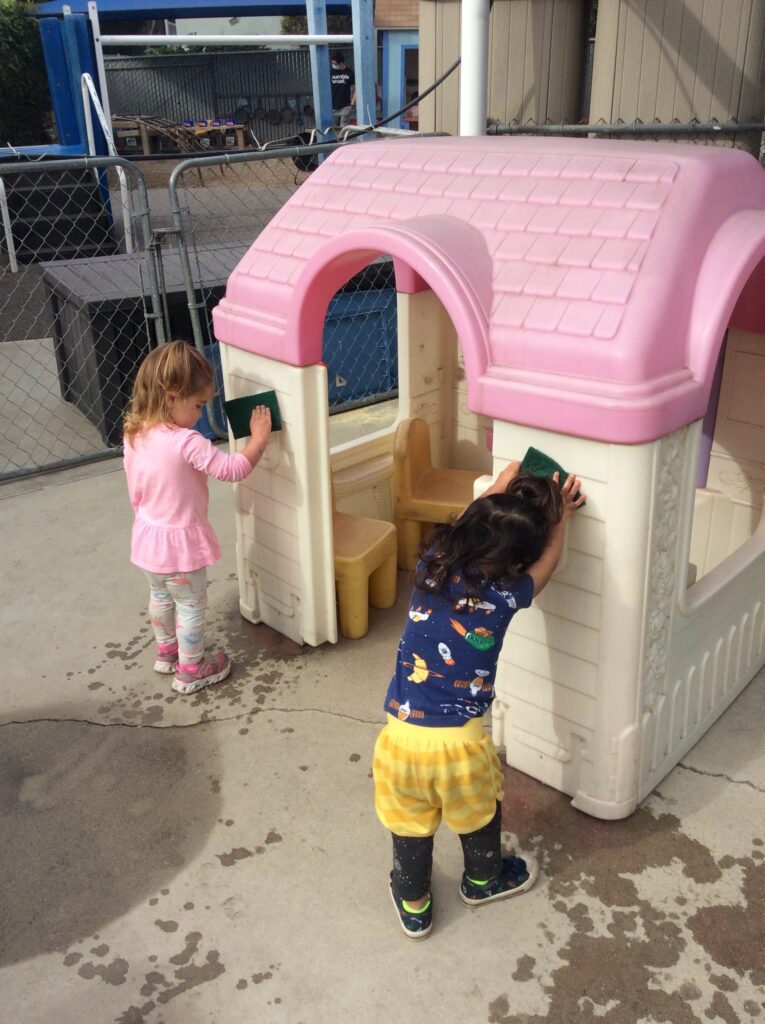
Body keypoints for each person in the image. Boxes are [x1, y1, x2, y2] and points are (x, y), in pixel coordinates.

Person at [373, 462, 585, 939]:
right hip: (461, 749)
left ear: (465, 529)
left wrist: (509, 474)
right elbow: (548, 563)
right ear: (515, 564)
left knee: (409, 827)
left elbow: (478, 509)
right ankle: (483, 881)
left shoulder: (433, 564)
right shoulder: (507, 595)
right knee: (479, 816)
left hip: (399, 741)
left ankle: (413, 904)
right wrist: (562, 520)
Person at [123, 341, 272, 695]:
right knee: (190, 605)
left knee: (159, 596)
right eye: (198, 405)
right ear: (172, 396)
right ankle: (192, 668)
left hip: (148, 539)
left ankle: (167, 652)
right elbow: (232, 469)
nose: (201, 415)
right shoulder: (187, 442)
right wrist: (259, 440)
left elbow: (135, 492)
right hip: (180, 547)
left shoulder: (134, 434)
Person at [330, 52, 355, 128]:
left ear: (341, 63)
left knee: (344, 127)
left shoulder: (350, 72)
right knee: (333, 129)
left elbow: (356, 87)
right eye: (333, 64)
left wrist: (352, 102)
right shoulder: (331, 72)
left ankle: (343, 140)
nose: (334, 66)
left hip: (345, 105)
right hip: (333, 106)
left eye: (335, 64)